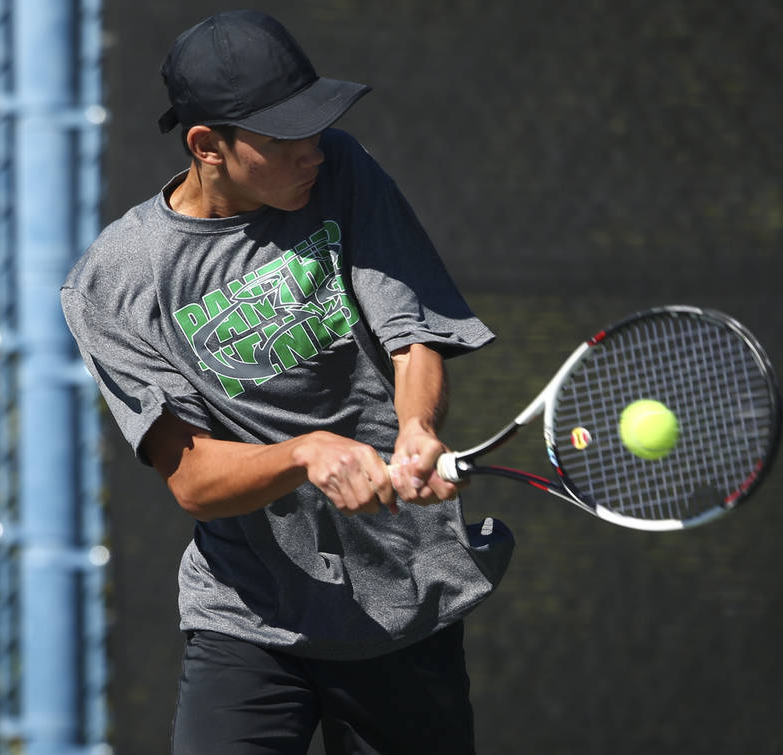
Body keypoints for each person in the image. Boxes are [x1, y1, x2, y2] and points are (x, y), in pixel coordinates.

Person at [61, 10, 513, 754]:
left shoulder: (343, 169)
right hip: (247, 618)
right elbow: (192, 478)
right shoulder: (117, 281)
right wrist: (307, 453)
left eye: (314, 127)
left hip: (402, 600)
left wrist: (417, 427)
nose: (310, 151)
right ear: (207, 145)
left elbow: (411, 339)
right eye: (281, 139)